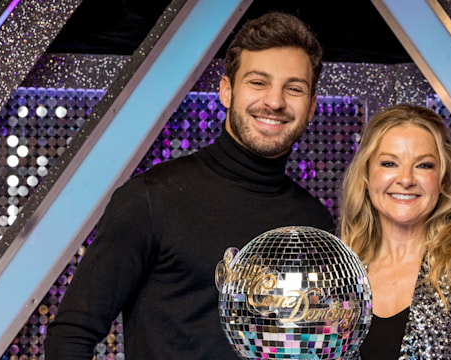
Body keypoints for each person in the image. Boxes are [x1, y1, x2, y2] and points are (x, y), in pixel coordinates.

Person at [44, 12, 334, 359]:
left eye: (294, 88)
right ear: (226, 91)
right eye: (258, 82)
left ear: (312, 106)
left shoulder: (314, 222)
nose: (275, 101)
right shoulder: (151, 199)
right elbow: (70, 338)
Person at [340, 104, 451, 359]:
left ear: (443, 179)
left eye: (423, 165)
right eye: (390, 163)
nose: (405, 179)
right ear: (368, 175)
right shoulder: (336, 275)